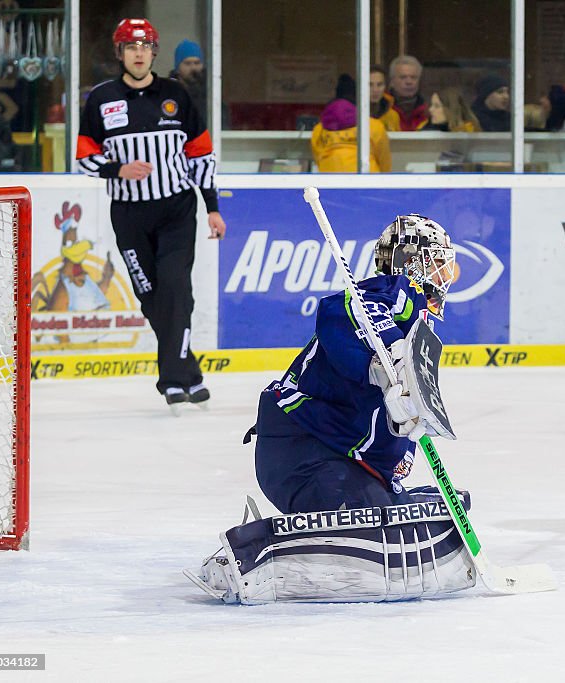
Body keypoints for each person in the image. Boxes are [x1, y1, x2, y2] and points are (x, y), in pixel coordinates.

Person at [189, 215, 476, 604]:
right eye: (441, 263)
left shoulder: (414, 327)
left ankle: (348, 518)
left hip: (342, 461)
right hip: (303, 452)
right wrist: (381, 362)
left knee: (435, 510)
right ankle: (246, 555)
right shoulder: (387, 297)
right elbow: (344, 311)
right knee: (375, 527)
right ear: (414, 262)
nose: (449, 275)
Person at [77, 18, 227, 410]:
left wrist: (212, 207)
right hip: (128, 214)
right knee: (151, 295)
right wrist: (117, 169)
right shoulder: (101, 98)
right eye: (131, 47)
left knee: (176, 286)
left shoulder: (176, 95)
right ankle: (187, 372)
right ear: (120, 53)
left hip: (176, 208)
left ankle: (173, 381)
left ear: (154, 52)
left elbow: (200, 155)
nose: (139, 53)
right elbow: (83, 156)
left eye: (145, 47)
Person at [310, 74, 392, 172]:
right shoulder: (373, 126)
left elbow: (318, 157)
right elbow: (384, 162)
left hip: (330, 179)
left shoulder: (319, 129)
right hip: (367, 180)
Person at [387, 55, 428, 131]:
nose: (409, 82)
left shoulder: (429, 112)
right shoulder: (382, 110)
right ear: (392, 81)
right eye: (403, 77)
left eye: (413, 77)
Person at [168, 39, 206, 115]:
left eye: (197, 63)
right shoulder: (168, 92)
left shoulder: (210, 92)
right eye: (188, 63)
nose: (193, 68)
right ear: (177, 68)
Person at [370, 64, 400, 132]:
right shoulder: (353, 114)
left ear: (385, 87)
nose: (375, 90)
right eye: (370, 85)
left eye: (379, 85)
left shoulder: (392, 116)